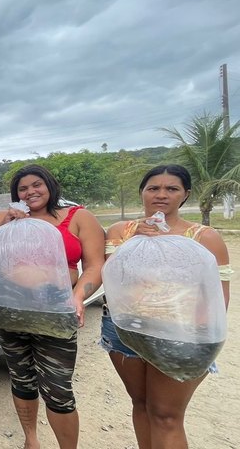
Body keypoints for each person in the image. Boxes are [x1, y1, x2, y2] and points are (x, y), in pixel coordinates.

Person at [102, 164, 231, 449]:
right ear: (142, 193)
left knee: (166, 416)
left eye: (171, 189)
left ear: (185, 194)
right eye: (153, 188)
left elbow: (217, 298)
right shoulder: (120, 231)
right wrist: (136, 240)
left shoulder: (204, 237)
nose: (161, 195)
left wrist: (197, 341)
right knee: (141, 404)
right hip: (125, 330)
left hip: (181, 334)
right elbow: (111, 278)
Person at [0, 164, 104, 449]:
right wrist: (6, 224)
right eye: (23, 188)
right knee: (21, 378)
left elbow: (95, 265)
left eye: (37, 184)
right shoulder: (4, 217)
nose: (30, 191)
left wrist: (78, 296)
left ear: (50, 185)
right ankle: (31, 440)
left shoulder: (78, 217)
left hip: (55, 312)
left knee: (58, 388)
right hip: (9, 311)